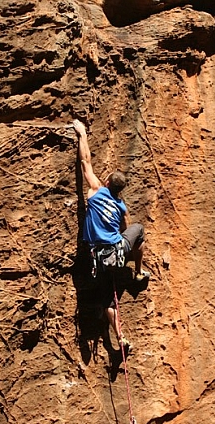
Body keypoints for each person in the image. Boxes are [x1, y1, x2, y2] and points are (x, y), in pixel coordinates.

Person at [73, 119, 149, 349]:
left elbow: (85, 162)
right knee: (140, 230)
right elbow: (127, 228)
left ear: (106, 182)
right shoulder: (121, 206)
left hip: (99, 258)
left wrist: (82, 134)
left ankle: (119, 337)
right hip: (117, 251)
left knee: (107, 299)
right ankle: (137, 271)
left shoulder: (95, 191)